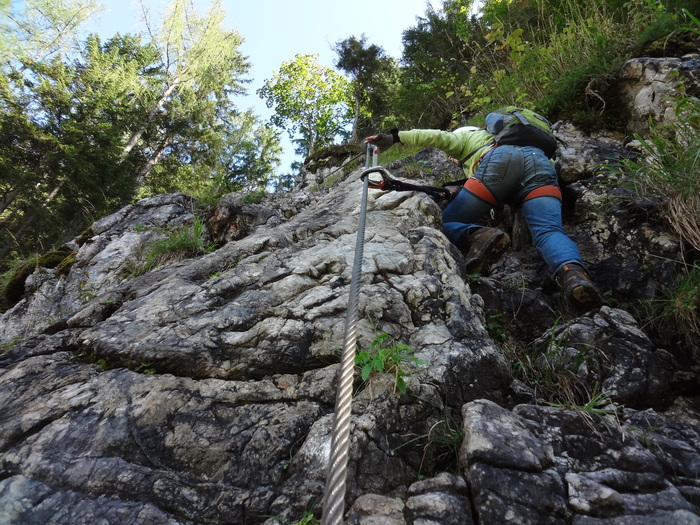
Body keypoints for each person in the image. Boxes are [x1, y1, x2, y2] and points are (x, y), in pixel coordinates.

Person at [362, 126, 605, 311]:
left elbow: (437, 137)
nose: (451, 160)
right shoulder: (502, 140)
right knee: (549, 231)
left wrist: (395, 136)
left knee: (440, 225)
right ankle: (572, 275)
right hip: (539, 163)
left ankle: (477, 235)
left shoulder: (468, 137)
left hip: (501, 161)